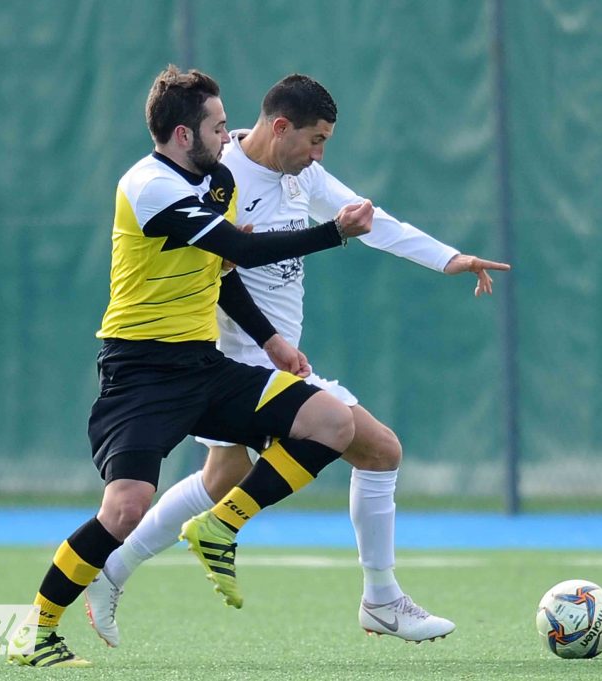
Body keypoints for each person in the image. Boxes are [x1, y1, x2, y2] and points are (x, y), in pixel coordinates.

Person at [85, 74, 510, 646]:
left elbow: (368, 220)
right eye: (315, 141)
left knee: (223, 475)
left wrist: (448, 258)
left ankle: (114, 569)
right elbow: (224, 265)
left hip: (268, 356)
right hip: (233, 359)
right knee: (378, 450)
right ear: (280, 127)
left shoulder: (300, 174)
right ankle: (381, 599)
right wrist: (267, 339)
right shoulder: (218, 175)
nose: (319, 155)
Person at [6, 65, 374, 668]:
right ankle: (36, 629)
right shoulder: (149, 185)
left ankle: (220, 526)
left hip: (205, 365)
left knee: (332, 422)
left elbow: (221, 272)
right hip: (141, 373)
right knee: (125, 509)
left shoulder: (219, 181)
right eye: (219, 126)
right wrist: (334, 232)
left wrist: (271, 341)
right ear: (184, 135)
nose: (229, 136)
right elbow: (242, 250)